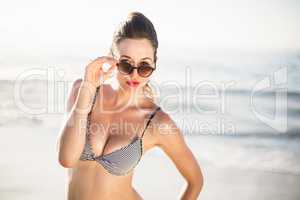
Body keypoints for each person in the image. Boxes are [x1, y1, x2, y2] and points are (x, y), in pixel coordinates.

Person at [57, 11, 203, 200]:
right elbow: (66, 159)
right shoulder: (83, 91)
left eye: (144, 67)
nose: (135, 75)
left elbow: (195, 181)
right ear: (112, 58)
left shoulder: (157, 122)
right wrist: (88, 87)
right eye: (126, 65)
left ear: (154, 64)